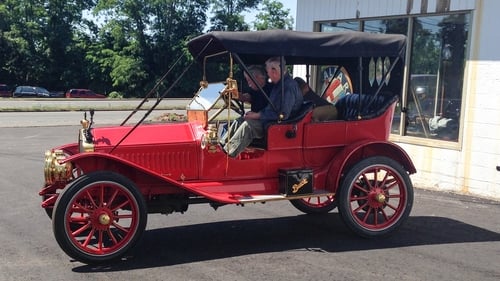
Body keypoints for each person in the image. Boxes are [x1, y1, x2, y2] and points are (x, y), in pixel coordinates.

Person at [223, 57, 303, 157]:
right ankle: (221, 146)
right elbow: (271, 107)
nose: (267, 76)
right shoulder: (279, 85)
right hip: (270, 121)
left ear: (274, 71)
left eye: (268, 72)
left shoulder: (288, 87)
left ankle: (227, 155)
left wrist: (257, 115)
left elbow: (283, 115)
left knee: (248, 126)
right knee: (240, 121)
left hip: (280, 125)